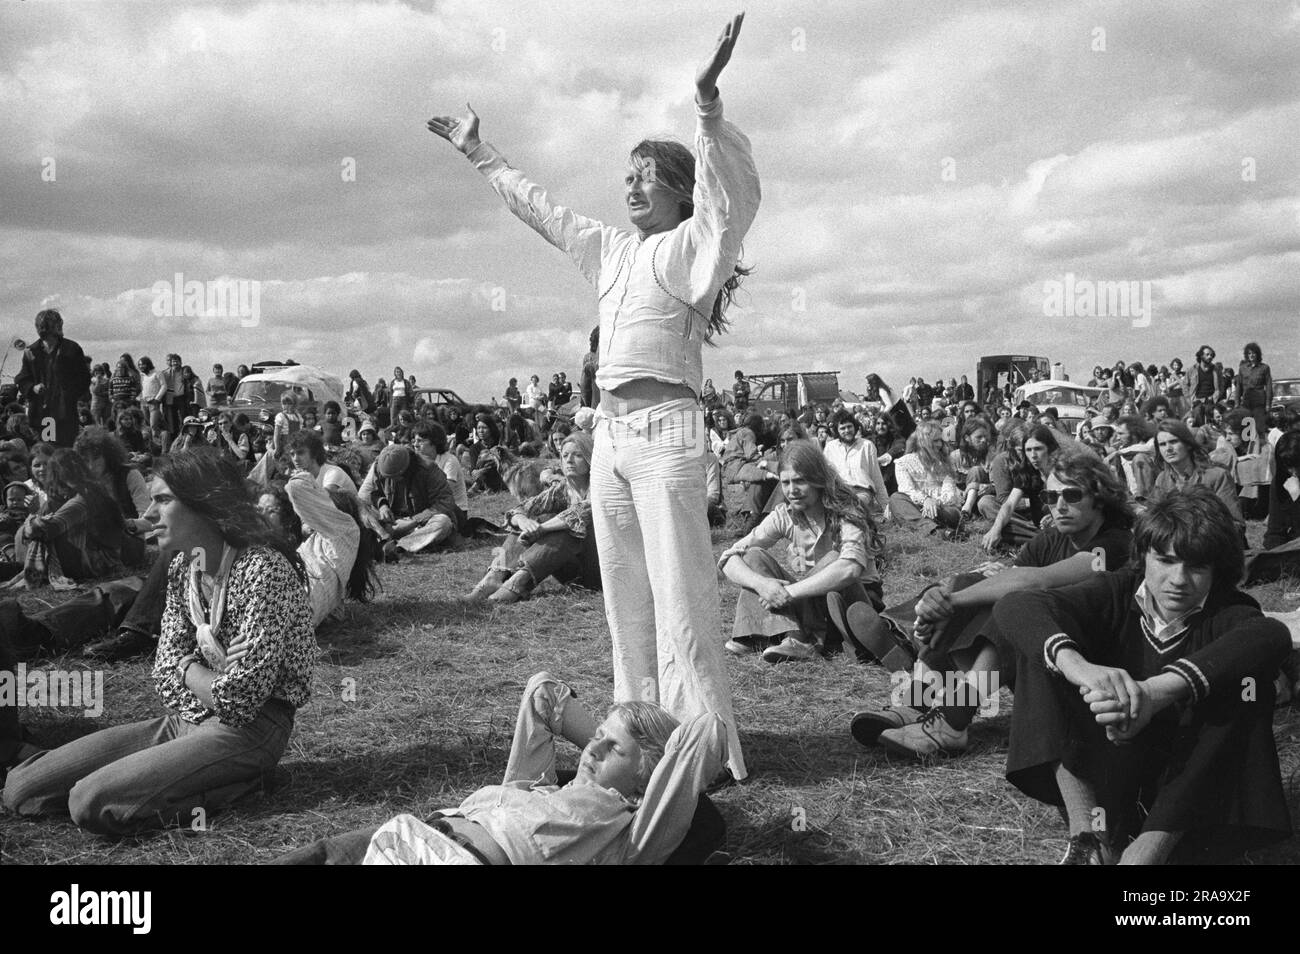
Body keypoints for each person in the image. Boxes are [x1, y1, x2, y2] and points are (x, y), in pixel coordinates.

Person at [428, 13, 755, 779]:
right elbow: (538, 206)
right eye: (628, 172)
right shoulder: (608, 248)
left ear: (679, 193)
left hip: (671, 430)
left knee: (681, 597)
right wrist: (480, 152)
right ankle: (641, 740)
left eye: (648, 174)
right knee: (627, 604)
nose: (632, 184)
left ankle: (703, 750)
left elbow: (729, 197)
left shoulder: (692, 246)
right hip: (609, 438)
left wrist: (706, 102)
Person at [1, 449, 316, 834]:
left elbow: (241, 698)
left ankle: (242, 783)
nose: (149, 514)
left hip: (253, 728)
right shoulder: (186, 566)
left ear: (205, 505)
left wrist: (188, 665)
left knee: (90, 802)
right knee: (21, 788)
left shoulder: (264, 570)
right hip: (188, 717)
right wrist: (197, 671)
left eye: (163, 500)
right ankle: (179, 772)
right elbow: (164, 671)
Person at [995, 486, 1292, 864]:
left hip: (1189, 784)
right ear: (1143, 555)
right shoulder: (1117, 590)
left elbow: (1271, 636)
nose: (1178, 579)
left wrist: (1155, 691)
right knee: (1045, 650)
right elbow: (1017, 606)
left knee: (1247, 687)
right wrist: (1082, 670)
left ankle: (1151, 846)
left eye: (1197, 566)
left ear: (1218, 569)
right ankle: (1089, 839)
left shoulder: (1230, 611)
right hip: (1106, 763)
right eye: (1165, 560)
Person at [275, 671, 725, 865]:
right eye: (596, 735)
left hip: (459, 859)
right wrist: (612, 735)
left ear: (650, 775)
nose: (594, 747)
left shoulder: (626, 828)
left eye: (614, 749)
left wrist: (648, 768)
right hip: (422, 831)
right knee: (322, 853)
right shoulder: (537, 788)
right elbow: (542, 692)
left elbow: (705, 732)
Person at [856, 449, 1136, 755]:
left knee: (1018, 605)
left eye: (1071, 495)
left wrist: (952, 600)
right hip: (1044, 660)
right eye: (1050, 495)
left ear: (1099, 497)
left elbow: (1035, 581)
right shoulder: (1052, 538)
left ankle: (952, 720)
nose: (1058, 506)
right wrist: (941, 602)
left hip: (1092, 671)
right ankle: (916, 703)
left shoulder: (1116, 544)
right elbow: (1004, 581)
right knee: (975, 586)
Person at [720, 440, 883, 664]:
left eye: (800, 481)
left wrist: (789, 593)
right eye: (785, 483)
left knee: (834, 558)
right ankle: (766, 634)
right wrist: (763, 585)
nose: (792, 490)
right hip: (811, 599)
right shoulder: (784, 515)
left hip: (854, 599)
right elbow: (728, 557)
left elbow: (850, 568)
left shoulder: (847, 511)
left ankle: (803, 638)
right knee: (752, 556)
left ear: (818, 480)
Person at [466, 432, 597, 603]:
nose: (569, 460)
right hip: (570, 571)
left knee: (565, 530)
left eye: (578, 455)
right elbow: (522, 508)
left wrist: (540, 529)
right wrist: (523, 520)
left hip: (596, 573)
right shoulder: (563, 489)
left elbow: (579, 513)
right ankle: (493, 578)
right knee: (529, 523)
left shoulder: (601, 488)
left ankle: (517, 583)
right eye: (565, 455)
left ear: (589, 459)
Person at [359, 444, 458, 556]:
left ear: (406, 468)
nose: (392, 480)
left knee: (443, 522)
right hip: (392, 522)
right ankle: (384, 539)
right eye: (388, 478)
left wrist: (413, 521)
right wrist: (382, 505)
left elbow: (445, 501)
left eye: (396, 477)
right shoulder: (379, 466)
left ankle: (398, 547)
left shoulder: (428, 469)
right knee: (362, 509)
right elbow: (375, 492)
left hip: (420, 525)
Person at [14, 309, 90, 448]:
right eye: (55, 324)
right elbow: (22, 378)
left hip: (65, 411)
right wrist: (33, 388)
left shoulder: (71, 349)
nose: (60, 326)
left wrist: (69, 394)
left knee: (65, 450)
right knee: (47, 449)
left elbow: (84, 378)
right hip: (43, 412)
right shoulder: (31, 351)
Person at [1149, 419, 1242, 532]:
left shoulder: (1217, 476)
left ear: (1188, 444)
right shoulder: (1162, 479)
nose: (1168, 449)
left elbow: (1236, 525)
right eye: (1162, 444)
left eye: (1173, 442)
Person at [891, 420, 962, 537]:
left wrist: (934, 502)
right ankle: (937, 531)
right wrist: (926, 500)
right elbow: (907, 490)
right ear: (923, 442)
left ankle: (925, 527)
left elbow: (950, 496)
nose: (939, 445)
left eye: (941, 440)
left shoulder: (945, 462)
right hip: (917, 505)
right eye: (935, 441)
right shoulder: (903, 463)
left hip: (943, 509)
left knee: (953, 513)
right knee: (895, 498)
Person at [822, 410, 889, 517]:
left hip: (862, 492)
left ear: (855, 427)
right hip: (838, 493)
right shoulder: (830, 448)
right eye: (842, 428)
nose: (847, 430)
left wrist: (886, 506)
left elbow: (876, 477)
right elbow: (825, 475)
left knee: (852, 508)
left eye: (849, 427)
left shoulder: (867, 446)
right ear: (837, 431)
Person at [1235, 341, 1272, 440]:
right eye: (1249, 353)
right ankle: (1247, 450)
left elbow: (1268, 386)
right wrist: (1237, 403)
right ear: (1247, 355)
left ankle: (1261, 449)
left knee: (1259, 427)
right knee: (1245, 427)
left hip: (1259, 401)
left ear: (1258, 354)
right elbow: (1238, 386)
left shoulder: (1264, 368)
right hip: (1246, 401)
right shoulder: (1242, 368)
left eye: (1254, 353)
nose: (1251, 355)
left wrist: (1268, 404)